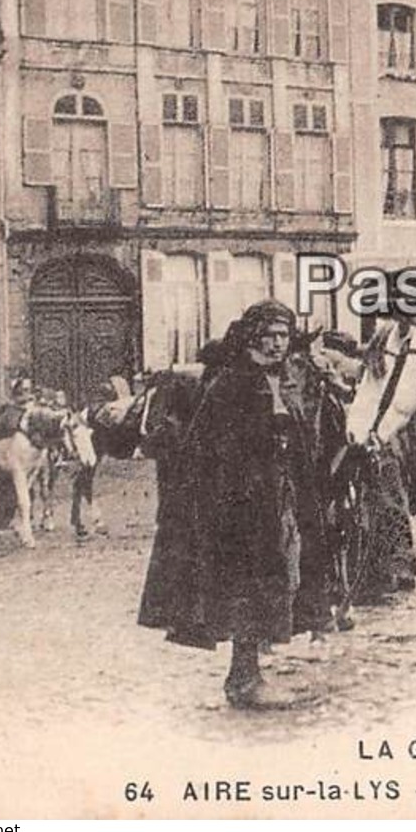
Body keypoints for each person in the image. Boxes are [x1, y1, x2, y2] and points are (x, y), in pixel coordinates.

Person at [137, 301, 322, 710]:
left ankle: (251, 672)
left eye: (284, 336)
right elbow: (208, 448)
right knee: (247, 590)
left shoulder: (278, 379)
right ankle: (243, 679)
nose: (278, 343)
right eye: (271, 335)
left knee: (274, 583)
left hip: (274, 500)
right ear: (254, 336)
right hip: (238, 510)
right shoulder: (233, 383)